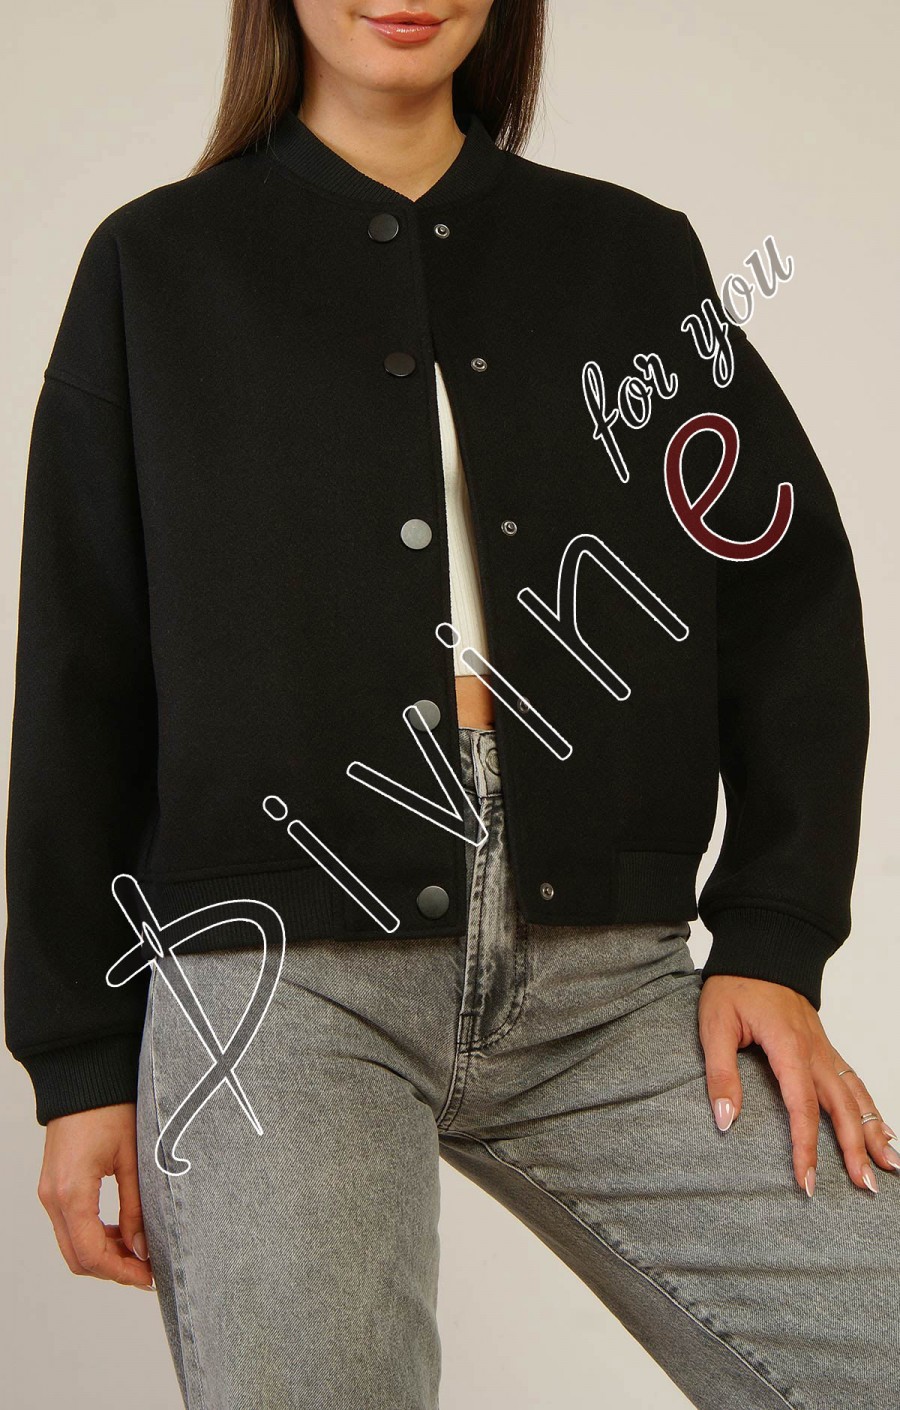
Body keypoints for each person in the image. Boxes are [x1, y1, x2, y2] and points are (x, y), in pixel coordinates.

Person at [4, 2, 898, 1407]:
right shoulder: (156, 267)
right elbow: (81, 668)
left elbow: (785, 592)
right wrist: (77, 1059)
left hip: (611, 987)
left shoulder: (632, 257)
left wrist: (776, 936)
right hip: (277, 997)